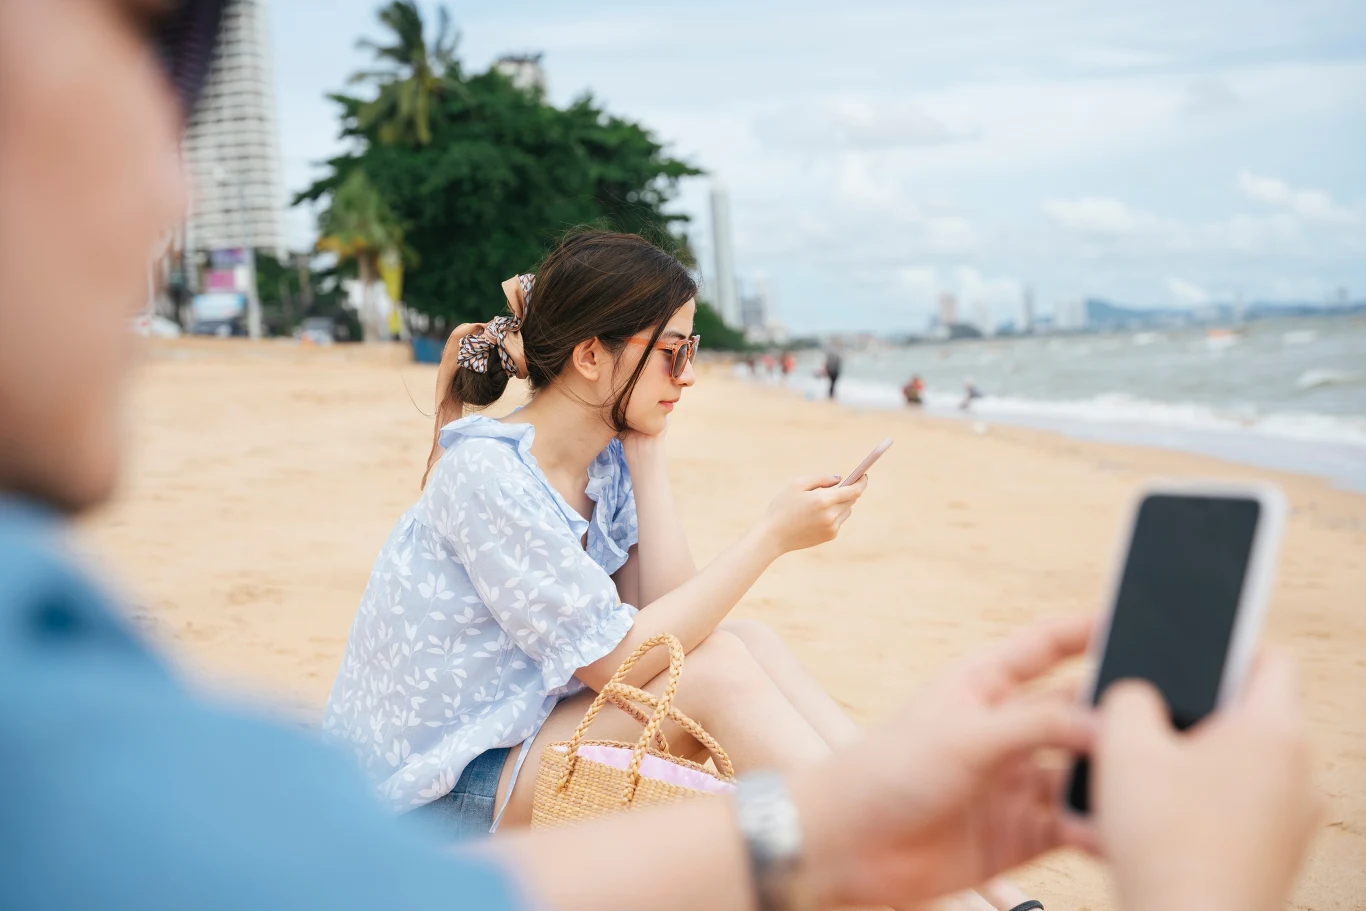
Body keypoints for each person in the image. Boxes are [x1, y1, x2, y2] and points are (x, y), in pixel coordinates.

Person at [0, 2, 1324, 910]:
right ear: (592, 356)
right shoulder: (484, 474)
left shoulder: (603, 455)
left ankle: (967, 871)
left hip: (520, 740)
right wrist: (769, 536)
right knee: (730, 667)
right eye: (671, 351)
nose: (688, 370)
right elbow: (625, 660)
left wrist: (658, 440)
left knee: (744, 660)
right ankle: (973, 886)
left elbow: (669, 628)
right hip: (437, 795)